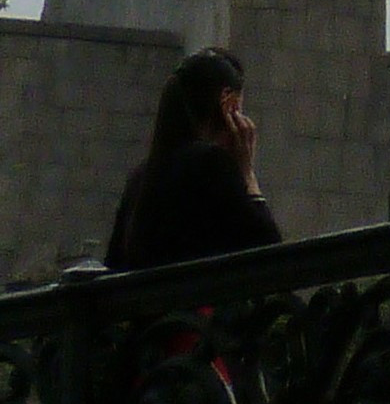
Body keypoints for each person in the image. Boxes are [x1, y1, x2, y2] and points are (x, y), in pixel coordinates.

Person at [107, 48, 281, 269]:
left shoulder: (140, 177)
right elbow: (270, 252)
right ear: (229, 105)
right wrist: (246, 172)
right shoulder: (211, 164)